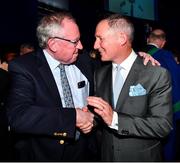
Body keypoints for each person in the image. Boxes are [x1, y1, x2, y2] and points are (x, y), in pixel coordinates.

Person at [6, 11, 95, 161]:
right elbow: (18, 117)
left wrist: (140, 58)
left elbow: (109, 73)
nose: (80, 46)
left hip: (86, 150)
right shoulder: (24, 67)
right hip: (46, 154)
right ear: (53, 44)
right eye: (75, 41)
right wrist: (73, 117)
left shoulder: (83, 59)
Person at [87, 14, 173, 161]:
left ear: (122, 38)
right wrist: (90, 117)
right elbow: (101, 116)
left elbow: (162, 126)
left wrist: (115, 119)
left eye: (100, 39)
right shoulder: (100, 74)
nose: (95, 45)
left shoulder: (156, 74)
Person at [143, 28, 180, 161]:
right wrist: (177, 113)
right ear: (163, 42)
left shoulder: (135, 55)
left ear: (148, 40)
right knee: (167, 150)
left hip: (138, 114)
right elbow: (176, 82)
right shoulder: (166, 56)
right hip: (163, 112)